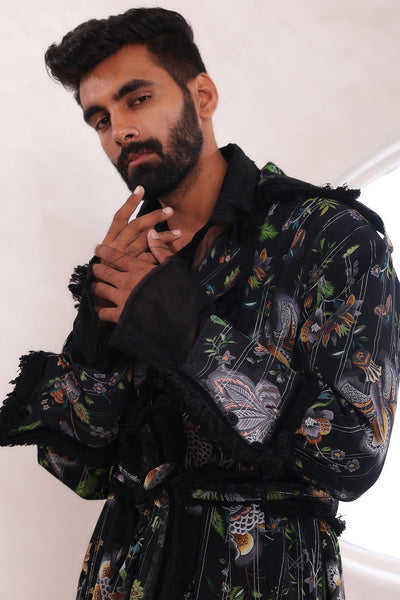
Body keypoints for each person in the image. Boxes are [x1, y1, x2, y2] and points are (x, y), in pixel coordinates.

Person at [0, 7, 399, 600]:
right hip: (124, 577)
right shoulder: (129, 261)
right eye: (101, 119)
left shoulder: (330, 235)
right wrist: (96, 328)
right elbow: (81, 473)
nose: (119, 131)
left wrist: (186, 333)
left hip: (268, 576)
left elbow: (354, 453)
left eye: (137, 99)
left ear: (202, 96)